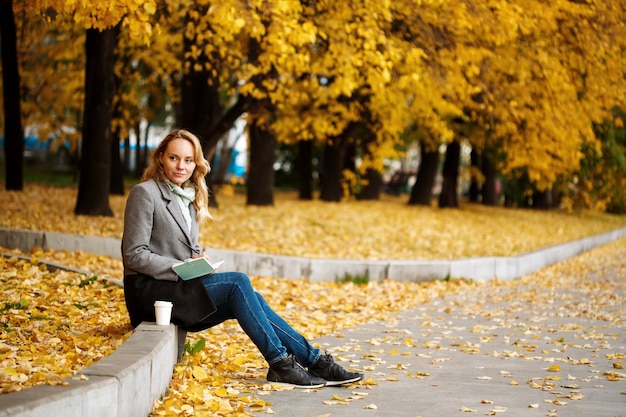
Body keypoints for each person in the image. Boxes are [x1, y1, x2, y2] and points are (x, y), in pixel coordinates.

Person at [122, 129, 363, 388]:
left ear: (196, 163)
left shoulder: (188, 197)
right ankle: (281, 362)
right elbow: (133, 255)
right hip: (151, 293)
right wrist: (179, 267)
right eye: (174, 158)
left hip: (178, 288)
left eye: (188, 160)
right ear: (160, 158)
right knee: (237, 282)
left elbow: (179, 246)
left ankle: (313, 361)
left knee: (252, 299)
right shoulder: (145, 193)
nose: (181, 166)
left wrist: (197, 258)